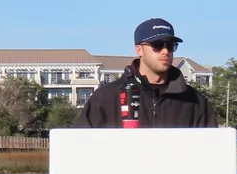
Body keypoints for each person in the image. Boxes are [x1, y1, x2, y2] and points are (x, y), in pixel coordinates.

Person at [73, 18, 217, 128]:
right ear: (139, 49)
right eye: (158, 45)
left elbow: (212, 153)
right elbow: (79, 146)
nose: (165, 51)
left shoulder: (196, 102)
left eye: (170, 46)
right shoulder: (105, 97)